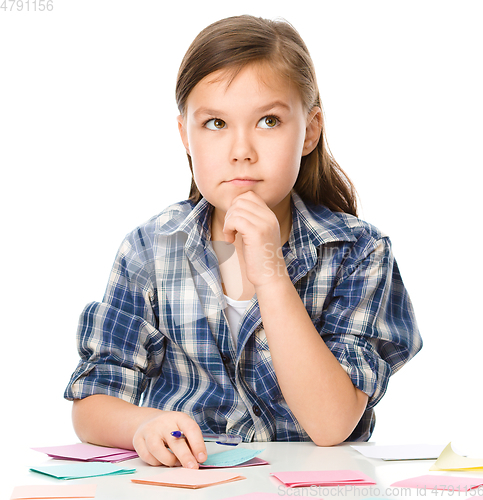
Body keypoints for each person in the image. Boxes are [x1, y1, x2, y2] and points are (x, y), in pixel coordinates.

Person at [64, 15, 422, 470]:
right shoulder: (149, 250)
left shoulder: (358, 253)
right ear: (184, 135)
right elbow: (92, 401)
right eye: (215, 123)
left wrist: (271, 274)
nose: (241, 150)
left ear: (310, 130)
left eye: (268, 121)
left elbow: (331, 425)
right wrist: (141, 426)